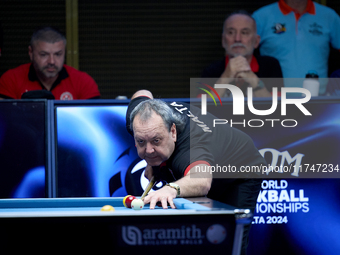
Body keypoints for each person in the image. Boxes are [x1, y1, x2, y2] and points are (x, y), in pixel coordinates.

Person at [126, 89, 266, 255]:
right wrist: (154, 161)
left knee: (229, 238)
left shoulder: (192, 149)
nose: (148, 150)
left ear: (172, 132)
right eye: (141, 142)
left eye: (156, 141)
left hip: (240, 169)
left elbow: (201, 181)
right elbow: (142, 93)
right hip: (207, 159)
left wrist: (170, 188)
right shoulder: (139, 117)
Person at [253, 0, 340, 96]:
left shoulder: (329, 16)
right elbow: (244, 53)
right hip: (274, 101)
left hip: (319, 101)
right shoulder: (261, 17)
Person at [0, 26, 100, 100]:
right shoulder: (11, 79)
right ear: (31, 52)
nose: (51, 61)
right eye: (44, 54)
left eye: (58, 54)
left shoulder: (83, 82)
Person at [202, 10, 283, 98]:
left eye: (244, 33)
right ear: (223, 40)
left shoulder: (270, 66)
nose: (237, 39)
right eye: (231, 32)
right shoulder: (211, 70)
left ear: (256, 41)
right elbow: (200, 109)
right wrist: (225, 78)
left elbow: (278, 109)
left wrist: (253, 80)